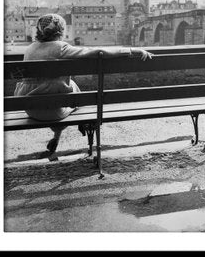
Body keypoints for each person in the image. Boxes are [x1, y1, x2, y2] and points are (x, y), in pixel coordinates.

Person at [14, 13, 153, 158]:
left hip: (31, 108)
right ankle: (80, 123)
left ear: (38, 30)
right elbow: (97, 52)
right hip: (52, 112)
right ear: (61, 31)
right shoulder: (60, 48)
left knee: (64, 90)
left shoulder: (29, 49)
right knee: (72, 90)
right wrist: (130, 50)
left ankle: (57, 136)